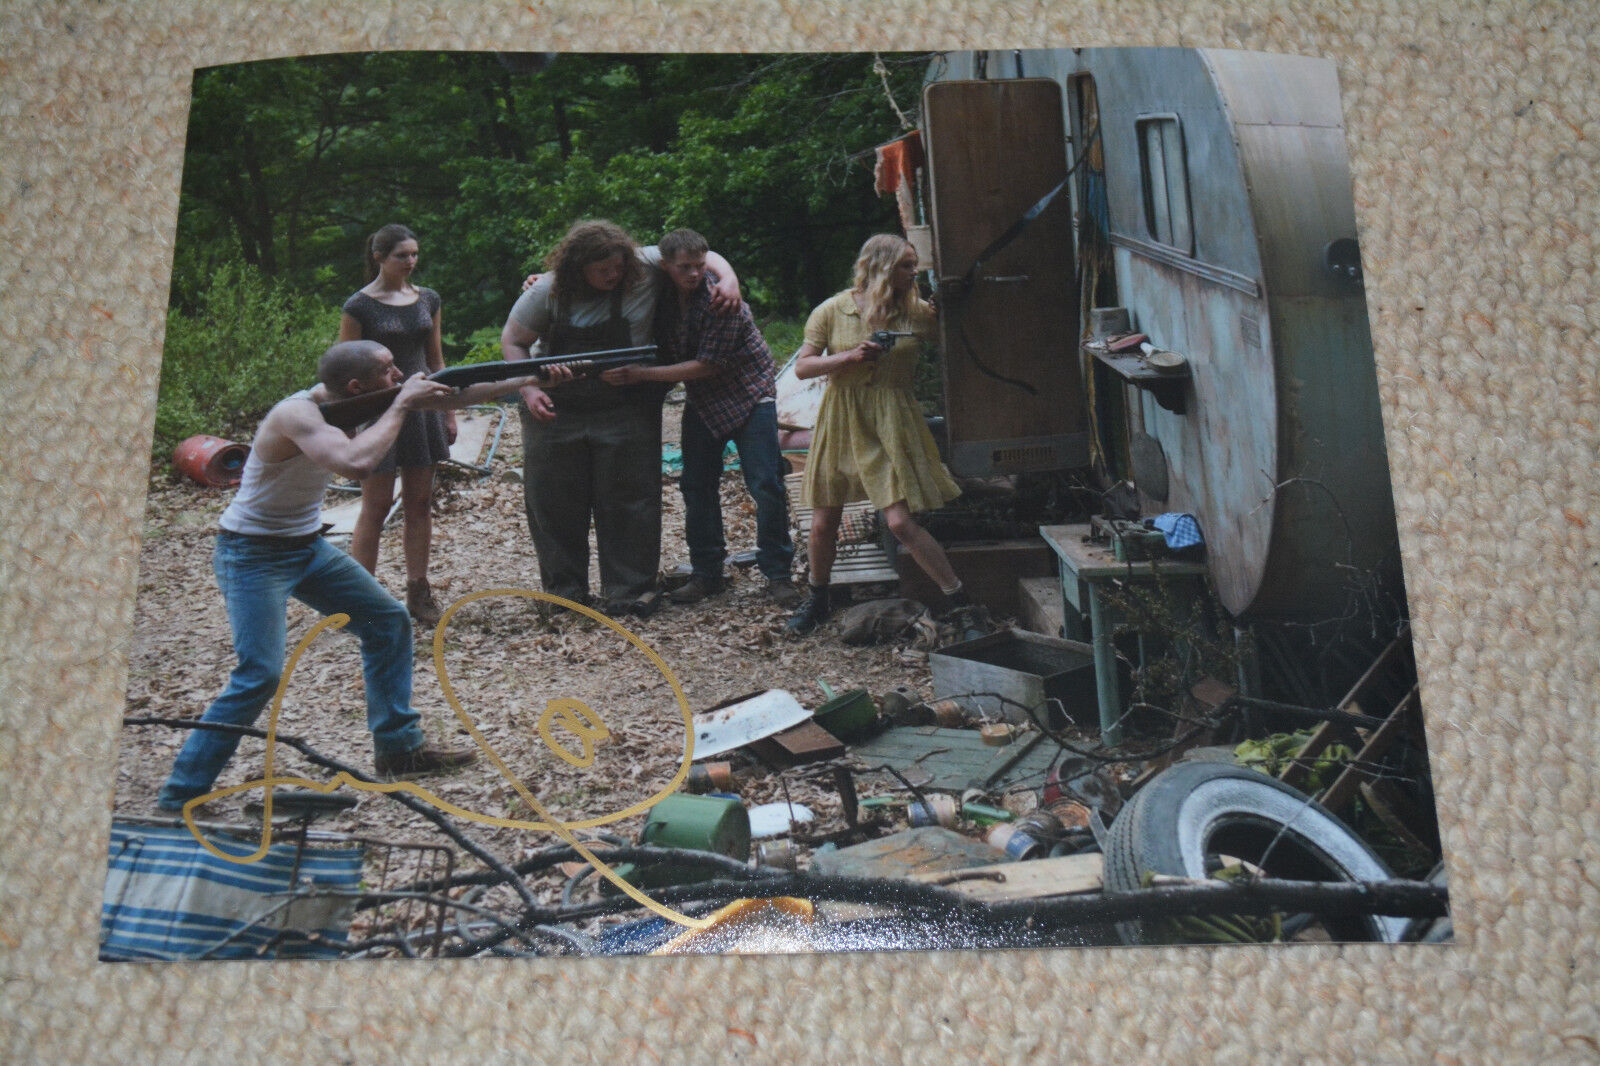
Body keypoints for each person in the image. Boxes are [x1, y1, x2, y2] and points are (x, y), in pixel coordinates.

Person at [156, 340, 546, 810]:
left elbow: (460, 394)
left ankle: (399, 750)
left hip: (306, 545)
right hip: (251, 553)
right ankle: (182, 794)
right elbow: (357, 464)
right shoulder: (296, 415)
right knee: (259, 673)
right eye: (389, 371)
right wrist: (402, 405)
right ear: (358, 387)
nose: (401, 375)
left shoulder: (364, 399)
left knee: (387, 623)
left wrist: (530, 377)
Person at [499, 219, 741, 617]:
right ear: (578, 268)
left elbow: (702, 254)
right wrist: (530, 389)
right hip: (557, 407)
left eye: (617, 267)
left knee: (631, 500)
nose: (613, 275)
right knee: (554, 502)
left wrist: (728, 279)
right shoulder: (547, 290)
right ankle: (565, 594)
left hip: (626, 403)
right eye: (602, 271)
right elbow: (513, 340)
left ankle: (630, 591)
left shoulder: (641, 265)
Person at [600, 228, 798, 607]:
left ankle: (778, 574)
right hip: (704, 400)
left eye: (699, 266)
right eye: (684, 267)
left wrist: (639, 374)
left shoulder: (722, 300)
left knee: (766, 484)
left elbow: (707, 366)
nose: (693, 273)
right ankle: (707, 572)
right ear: (667, 267)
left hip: (749, 392)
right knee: (696, 485)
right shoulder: (657, 290)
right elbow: (604, 265)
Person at [785, 233, 969, 636]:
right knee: (822, 522)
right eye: (905, 264)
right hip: (842, 419)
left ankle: (959, 601)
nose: (913, 272)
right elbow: (803, 367)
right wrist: (850, 356)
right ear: (881, 267)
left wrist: (948, 311)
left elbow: (956, 345)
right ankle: (818, 598)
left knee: (901, 522)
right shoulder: (833, 310)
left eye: (913, 264)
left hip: (891, 421)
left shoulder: (917, 312)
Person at [340, 224, 451, 626]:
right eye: (402, 255)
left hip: (422, 406)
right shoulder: (359, 306)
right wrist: (349, 423)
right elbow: (344, 366)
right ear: (380, 258)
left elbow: (436, 359)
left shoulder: (429, 299)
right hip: (377, 408)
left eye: (415, 254)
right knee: (377, 505)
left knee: (419, 502)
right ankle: (360, 598)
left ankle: (419, 590)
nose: (411, 262)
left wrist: (449, 410)